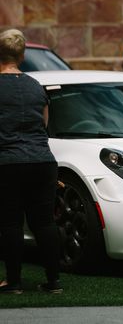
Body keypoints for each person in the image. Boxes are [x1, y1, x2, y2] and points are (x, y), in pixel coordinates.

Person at [0, 29, 62, 294]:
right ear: (23, 55)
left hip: (8, 161)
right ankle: (53, 281)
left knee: (10, 223)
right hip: (42, 161)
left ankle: (13, 282)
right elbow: (44, 124)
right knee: (44, 222)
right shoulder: (36, 86)